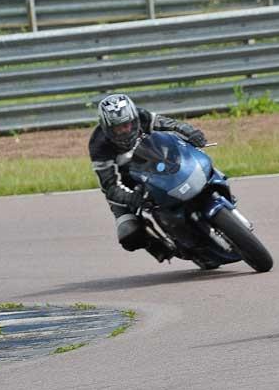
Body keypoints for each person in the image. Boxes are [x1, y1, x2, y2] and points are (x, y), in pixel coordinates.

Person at [88, 94, 208, 263]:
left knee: (195, 161)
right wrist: (131, 198)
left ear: (134, 119)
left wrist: (191, 131)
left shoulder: (141, 115)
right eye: (118, 128)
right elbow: (110, 186)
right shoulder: (98, 145)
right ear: (107, 128)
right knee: (128, 233)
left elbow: (171, 125)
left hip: (155, 164)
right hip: (126, 185)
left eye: (127, 124)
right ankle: (161, 248)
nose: (125, 130)